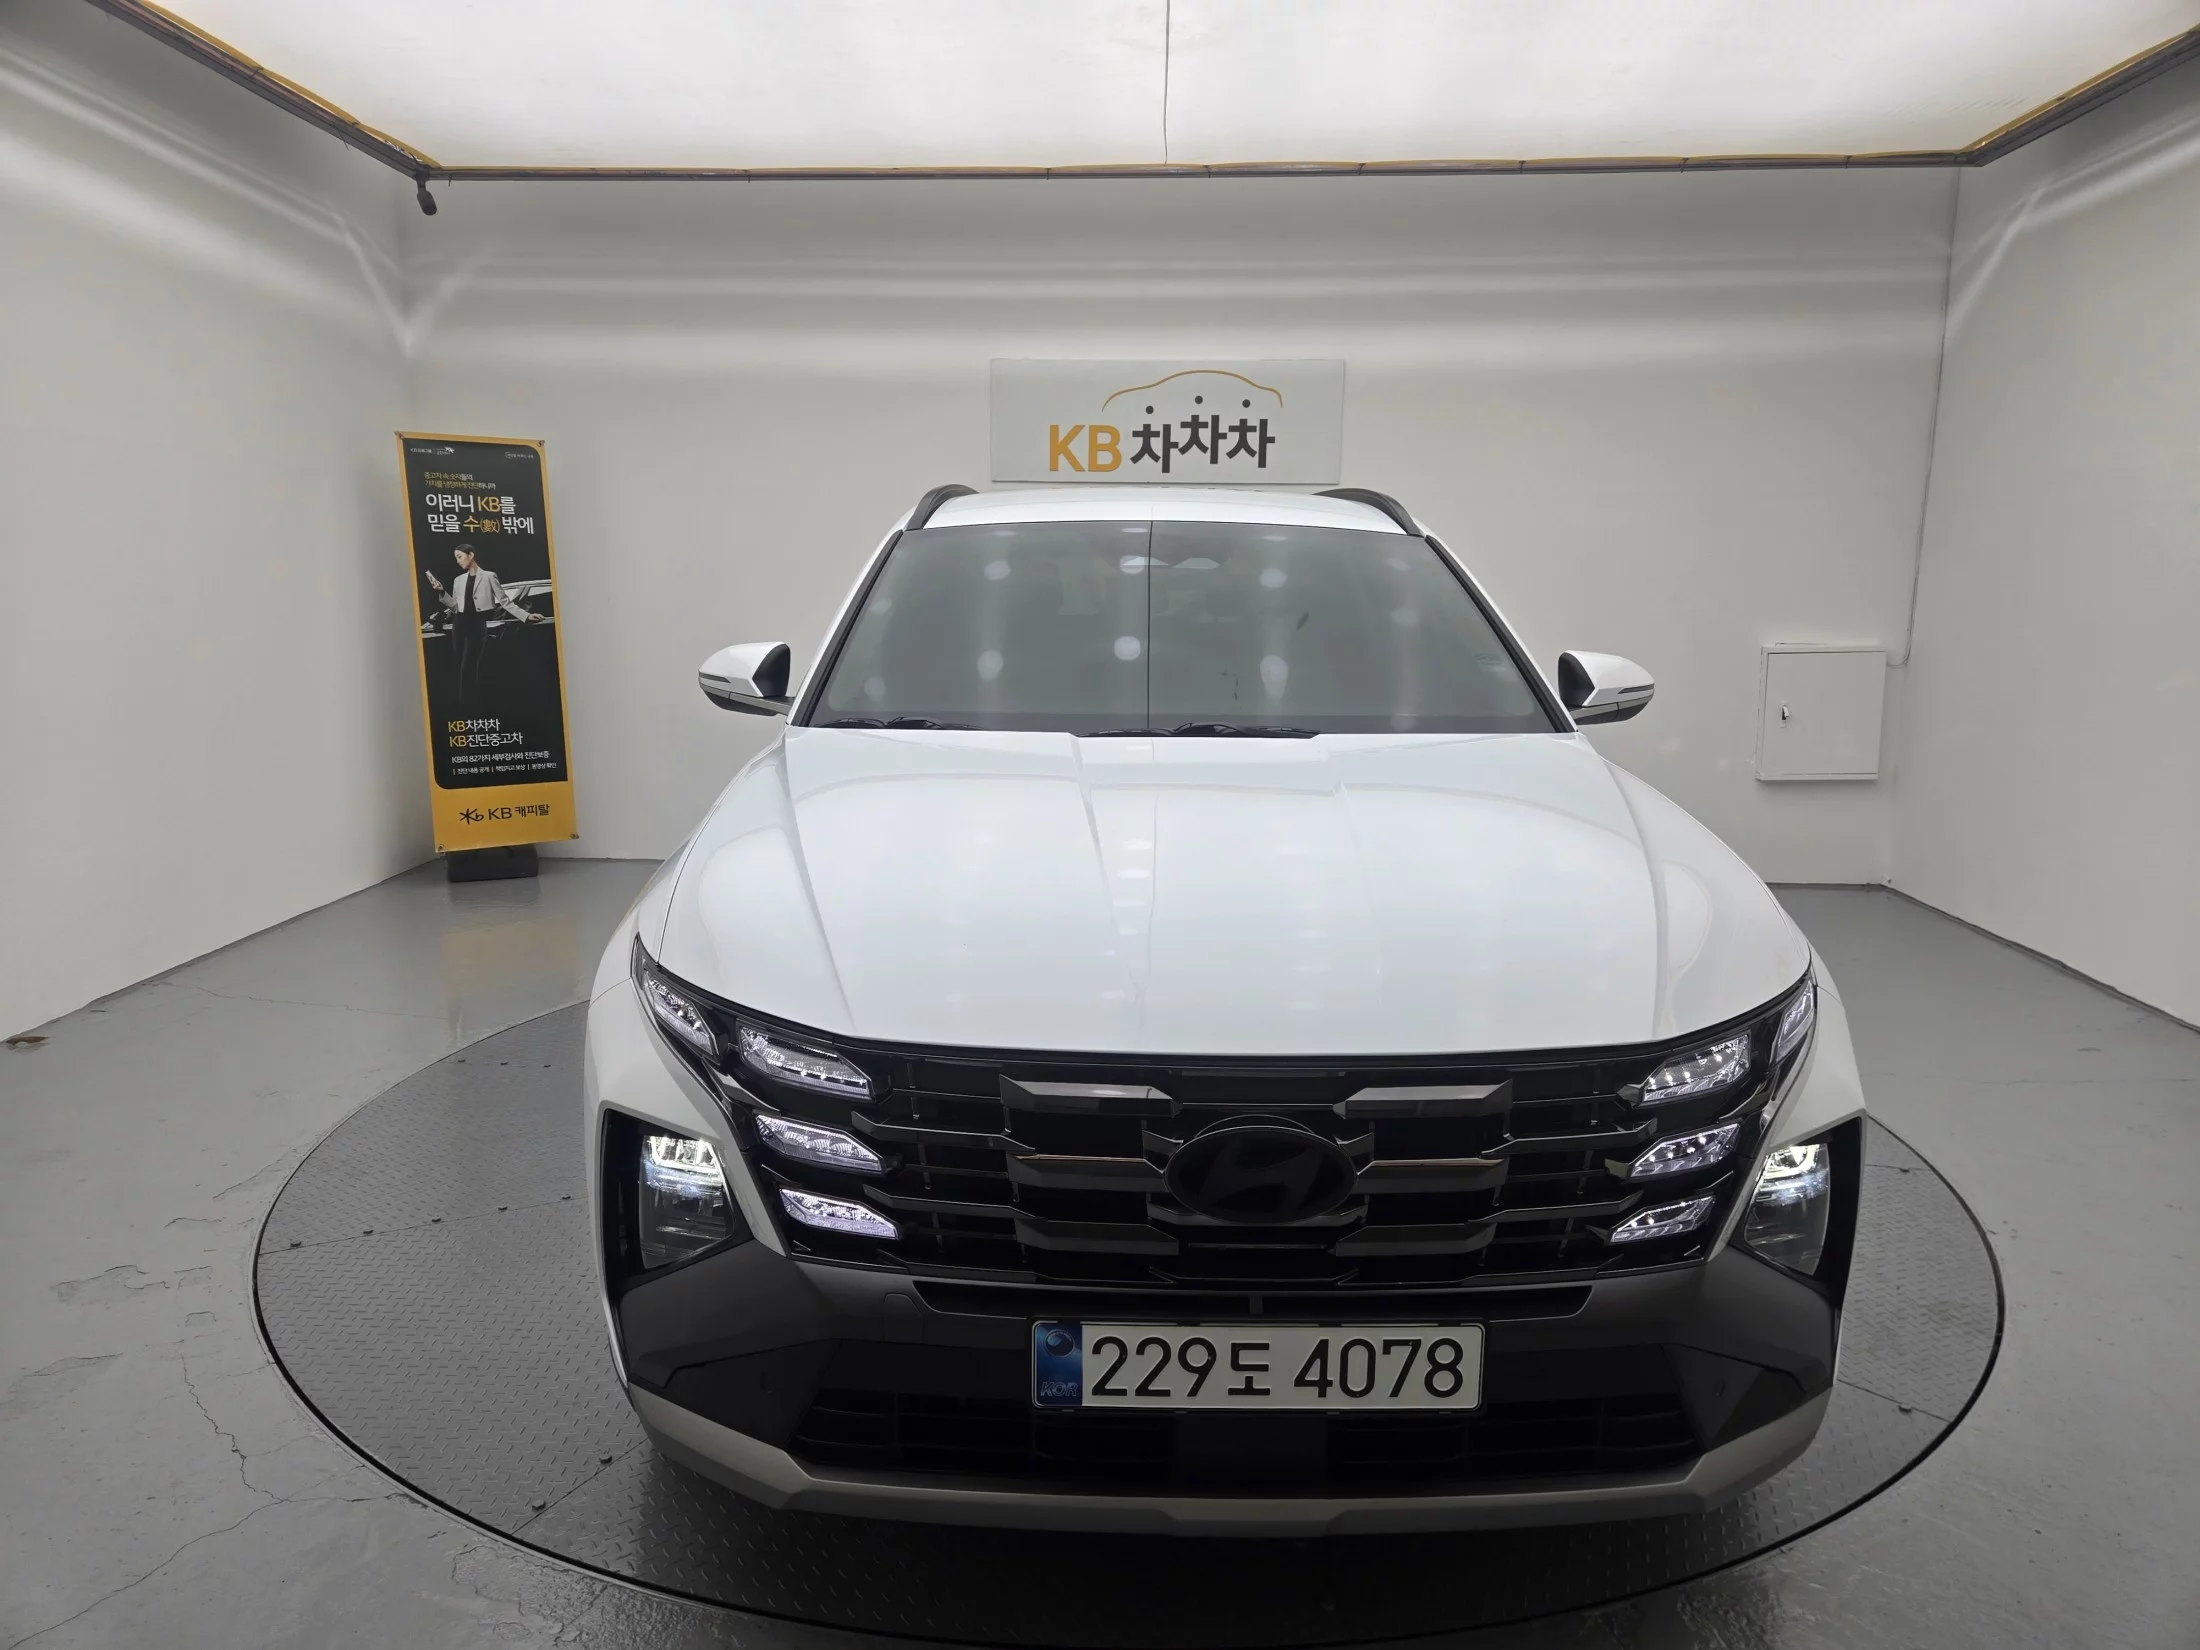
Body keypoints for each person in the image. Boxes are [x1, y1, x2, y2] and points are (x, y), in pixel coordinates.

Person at [424, 543, 547, 717]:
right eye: (456, 558)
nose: (458, 561)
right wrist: (442, 591)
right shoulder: (458, 580)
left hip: (477, 625)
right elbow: (455, 607)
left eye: (460, 556)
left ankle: (467, 709)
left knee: (468, 666)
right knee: (460, 666)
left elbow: (505, 602)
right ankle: (464, 708)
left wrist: (526, 615)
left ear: (471, 555)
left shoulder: (489, 576)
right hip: (459, 626)